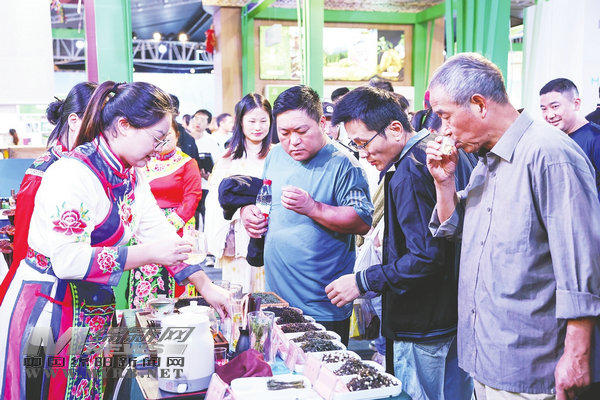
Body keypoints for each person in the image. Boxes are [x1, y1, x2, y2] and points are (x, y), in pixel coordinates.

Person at [0, 81, 231, 400]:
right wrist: (148, 253)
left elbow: (159, 231)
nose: (159, 148)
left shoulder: (130, 174)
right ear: (123, 125)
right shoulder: (72, 174)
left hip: (91, 307)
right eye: (156, 137)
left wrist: (205, 285)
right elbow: (68, 261)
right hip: (49, 309)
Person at [425, 53, 600, 399]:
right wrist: (444, 184)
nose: (444, 129)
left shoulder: (548, 153)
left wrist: (577, 355)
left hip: (530, 365)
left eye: (445, 116)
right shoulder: (487, 160)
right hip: (485, 356)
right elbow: (455, 229)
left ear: (479, 104)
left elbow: (581, 262)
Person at [325, 87, 475, 400]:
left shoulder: (411, 170)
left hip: (421, 322)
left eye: (364, 143)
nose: (363, 154)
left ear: (395, 129)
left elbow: (425, 257)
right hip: (455, 315)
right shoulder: (441, 151)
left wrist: (362, 281)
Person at [240, 85, 373, 345]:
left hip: (322, 304)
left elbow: (362, 221)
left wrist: (313, 208)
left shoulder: (344, 163)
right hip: (276, 297)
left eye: (301, 131)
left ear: (322, 123)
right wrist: (250, 214)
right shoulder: (276, 155)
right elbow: (266, 199)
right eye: (284, 133)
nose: (293, 141)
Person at [0, 82, 98, 306]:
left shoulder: (85, 165)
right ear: (74, 121)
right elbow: (25, 248)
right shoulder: (42, 173)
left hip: (84, 287)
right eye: (99, 125)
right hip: (49, 293)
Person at [128, 115, 202, 308]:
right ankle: (144, 315)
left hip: (177, 226)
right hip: (145, 227)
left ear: (177, 135)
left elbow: (192, 197)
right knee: (145, 275)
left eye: (168, 133)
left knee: (177, 274)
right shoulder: (142, 162)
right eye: (159, 135)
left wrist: (169, 224)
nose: (163, 139)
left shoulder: (187, 163)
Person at [205, 94, 273, 293]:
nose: (258, 127)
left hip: (270, 238)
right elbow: (214, 202)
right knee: (238, 295)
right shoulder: (228, 159)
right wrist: (240, 211)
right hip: (237, 241)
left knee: (268, 297)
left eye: (263, 121)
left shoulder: (278, 155)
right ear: (240, 121)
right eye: (251, 121)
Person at [539, 78, 600, 196]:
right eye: (544, 109)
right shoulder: (556, 139)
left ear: (576, 104)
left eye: (555, 106)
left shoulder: (596, 138)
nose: (549, 115)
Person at [189, 109, 219, 228]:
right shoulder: (186, 139)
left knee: (206, 218)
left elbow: (217, 163)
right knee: (192, 219)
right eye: (196, 118)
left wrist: (210, 175)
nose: (198, 122)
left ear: (208, 124)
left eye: (202, 120)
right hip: (190, 186)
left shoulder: (212, 142)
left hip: (206, 185)